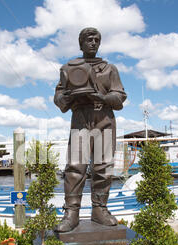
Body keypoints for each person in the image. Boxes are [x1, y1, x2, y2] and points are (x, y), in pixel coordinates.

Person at [54, 27, 127, 232]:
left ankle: (100, 209)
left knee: (103, 167)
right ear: (81, 44)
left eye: (96, 40)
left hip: (103, 117)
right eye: (88, 39)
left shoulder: (109, 68)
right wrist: (68, 97)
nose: (93, 43)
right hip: (80, 118)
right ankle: (71, 213)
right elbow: (58, 98)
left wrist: (102, 97)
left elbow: (119, 97)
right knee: (75, 167)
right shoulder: (68, 68)